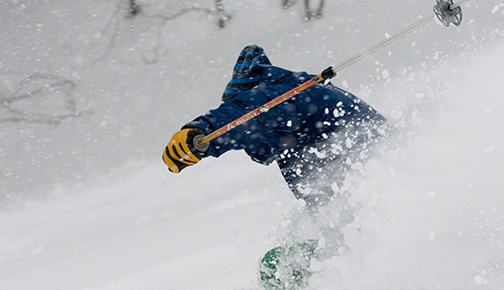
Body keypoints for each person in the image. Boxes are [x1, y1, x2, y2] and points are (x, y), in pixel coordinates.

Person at [162, 44, 389, 208]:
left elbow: (250, 113)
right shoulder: (296, 125)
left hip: (380, 183)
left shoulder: (286, 98)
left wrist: (203, 134)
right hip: (371, 192)